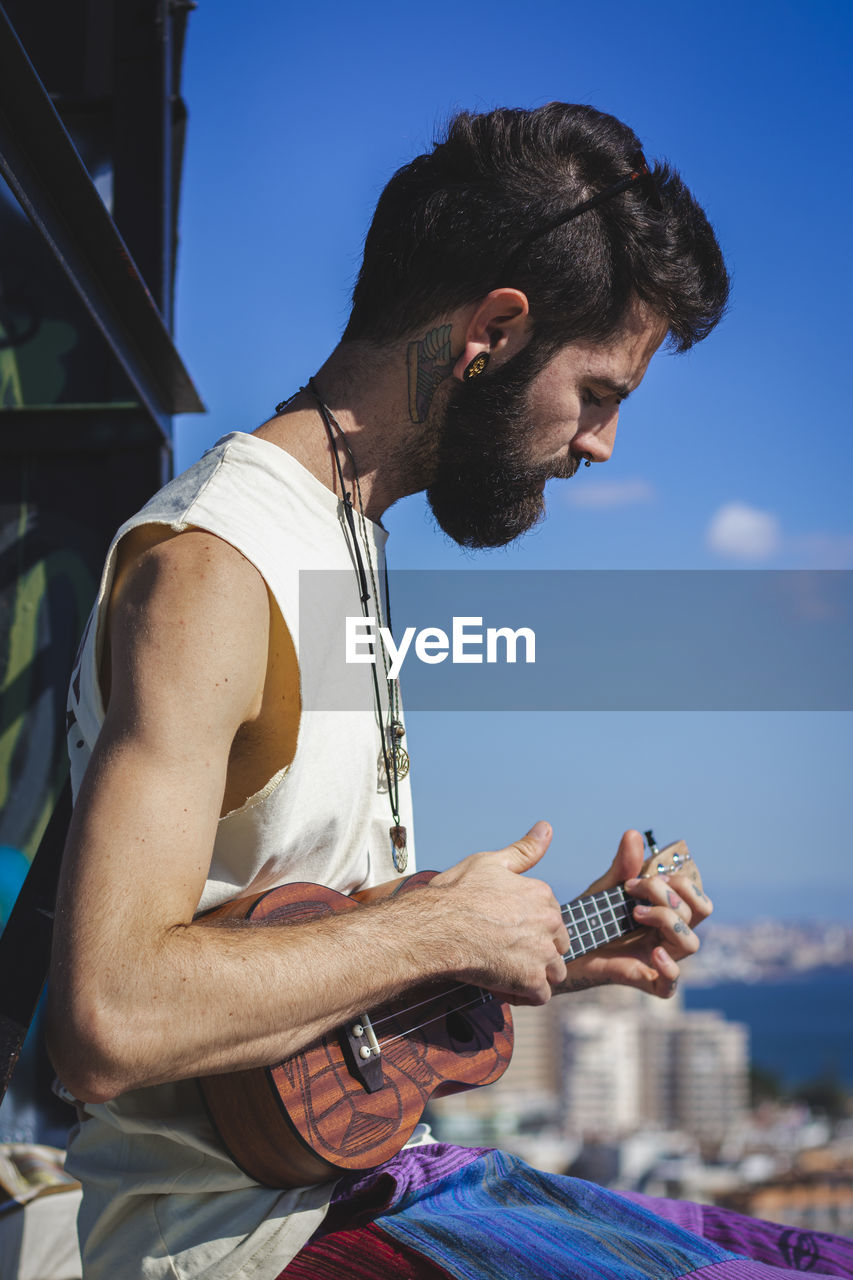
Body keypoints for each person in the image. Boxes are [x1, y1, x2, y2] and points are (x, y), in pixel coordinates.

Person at [46, 103, 853, 1280]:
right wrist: (438, 923)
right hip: (227, 1243)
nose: (602, 447)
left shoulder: (344, 539)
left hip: (343, 1194)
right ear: (493, 331)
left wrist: (531, 944)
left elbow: (315, 973)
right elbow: (108, 1016)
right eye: (598, 391)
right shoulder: (218, 567)